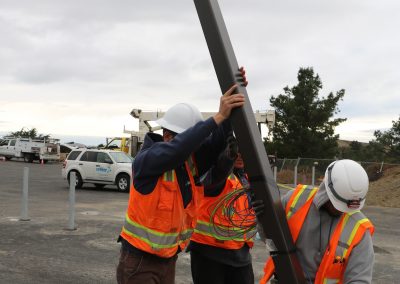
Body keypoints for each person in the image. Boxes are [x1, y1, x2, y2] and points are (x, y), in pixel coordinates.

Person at [116, 82, 246, 284]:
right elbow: (179, 149)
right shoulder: (148, 160)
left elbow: (213, 146)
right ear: (167, 136)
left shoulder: (186, 166)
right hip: (140, 263)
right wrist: (217, 117)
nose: (195, 149)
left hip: (167, 261)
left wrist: (229, 109)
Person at [260, 159, 375, 284]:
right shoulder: (294, 200)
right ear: (326, 190)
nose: (341, 211)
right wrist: (262, 219)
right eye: (337, 205)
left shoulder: (359, 229)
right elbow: (269, 239)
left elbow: (359, 279)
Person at [189, 138, 256, 284]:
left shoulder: (248, 179)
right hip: (210, 254)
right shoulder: (215, 175)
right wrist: (228, 156)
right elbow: (221, 170)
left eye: (243, 151)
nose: (239, 155)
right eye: (236, 152)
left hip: (240, 255)